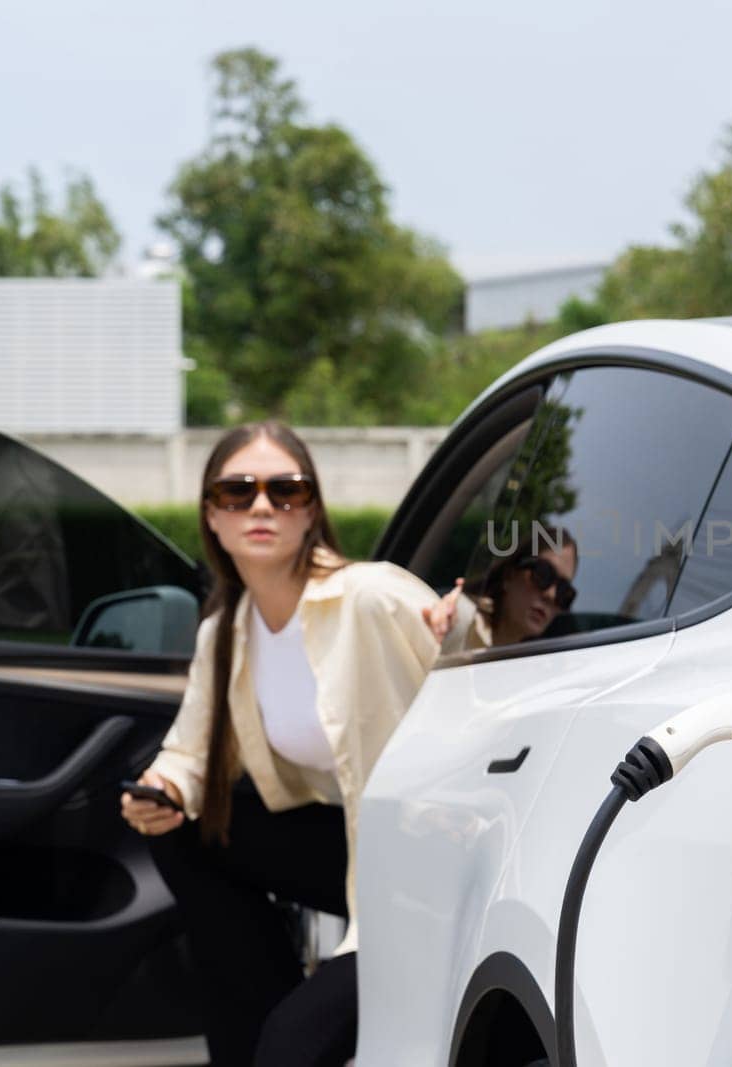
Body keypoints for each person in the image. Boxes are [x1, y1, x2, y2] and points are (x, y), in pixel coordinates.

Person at [118, 420, 460, 1067]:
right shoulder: (229, 629)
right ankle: (256, 1018)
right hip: (349, 845)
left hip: (424, 865)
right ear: (211, 516)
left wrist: (470, 617)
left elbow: (479, 666)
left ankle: (281, 1030)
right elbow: (191, 751)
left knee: (292, 1047)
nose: (262, 506)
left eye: (286, 490)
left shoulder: (371, 596)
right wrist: (163, 790)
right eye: (237, 491)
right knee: (183, 828)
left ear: (312, 512)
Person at [440, 529, 579, 654]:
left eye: (564, 591)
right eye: (543, 574)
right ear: (509, 576)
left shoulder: (544, 667)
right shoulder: (458, 619)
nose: (551, 595)